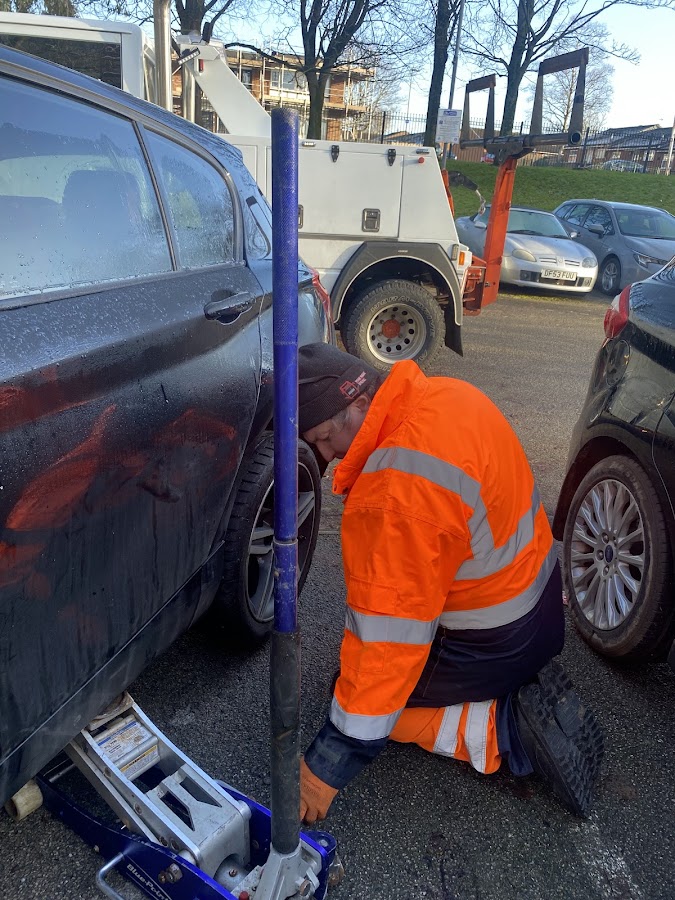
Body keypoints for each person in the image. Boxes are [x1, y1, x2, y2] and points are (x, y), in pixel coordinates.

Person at [297, 343, 603, 823]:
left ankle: (505, 728)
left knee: (372, 705)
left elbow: (387, 645)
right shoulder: (445, 395)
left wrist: (326, 766)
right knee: (362, 687)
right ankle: (509, 684)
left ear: (360, 403)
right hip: (540, 603)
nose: (326, 457)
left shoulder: (395, 489)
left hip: (496, 638)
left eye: (323, 438)